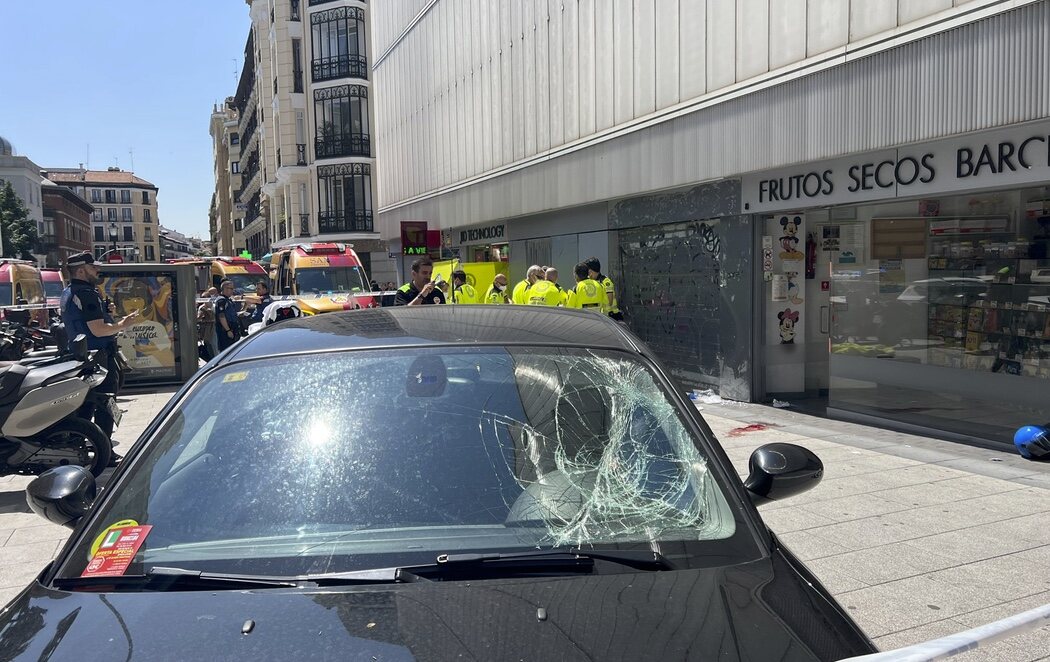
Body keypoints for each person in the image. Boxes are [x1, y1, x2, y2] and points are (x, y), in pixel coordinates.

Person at [60, 252, 140, 463]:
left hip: (84, 356)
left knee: (86, 405)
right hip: (99, 359)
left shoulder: (69, 292)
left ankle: (80, 449)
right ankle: (105, 452)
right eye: (93, 267)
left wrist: (108, 314)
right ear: (80, 270)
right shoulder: (86, 293)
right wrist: (124, 324)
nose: (98, 270)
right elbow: (98, 330)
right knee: (105, 405)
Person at [213, 280, 243, 352]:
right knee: (227, 351)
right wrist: (228, 330)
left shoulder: (228, 300)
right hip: (225, 331)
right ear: (225, 289)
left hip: (232, 329)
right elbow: (221, 316)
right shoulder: (221, 300)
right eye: (231, 289)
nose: (233, 291)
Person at [197, 287, 218, 361]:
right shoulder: (201, 308)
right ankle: (211, 360)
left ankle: (217, 360)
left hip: (213, 329)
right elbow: (198, 319)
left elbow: (216, 318)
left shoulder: (214, 306)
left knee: (214, 345)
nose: (203, 299)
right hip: (205, 329)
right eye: (202, 298)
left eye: (205, 298)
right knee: (207, 345)